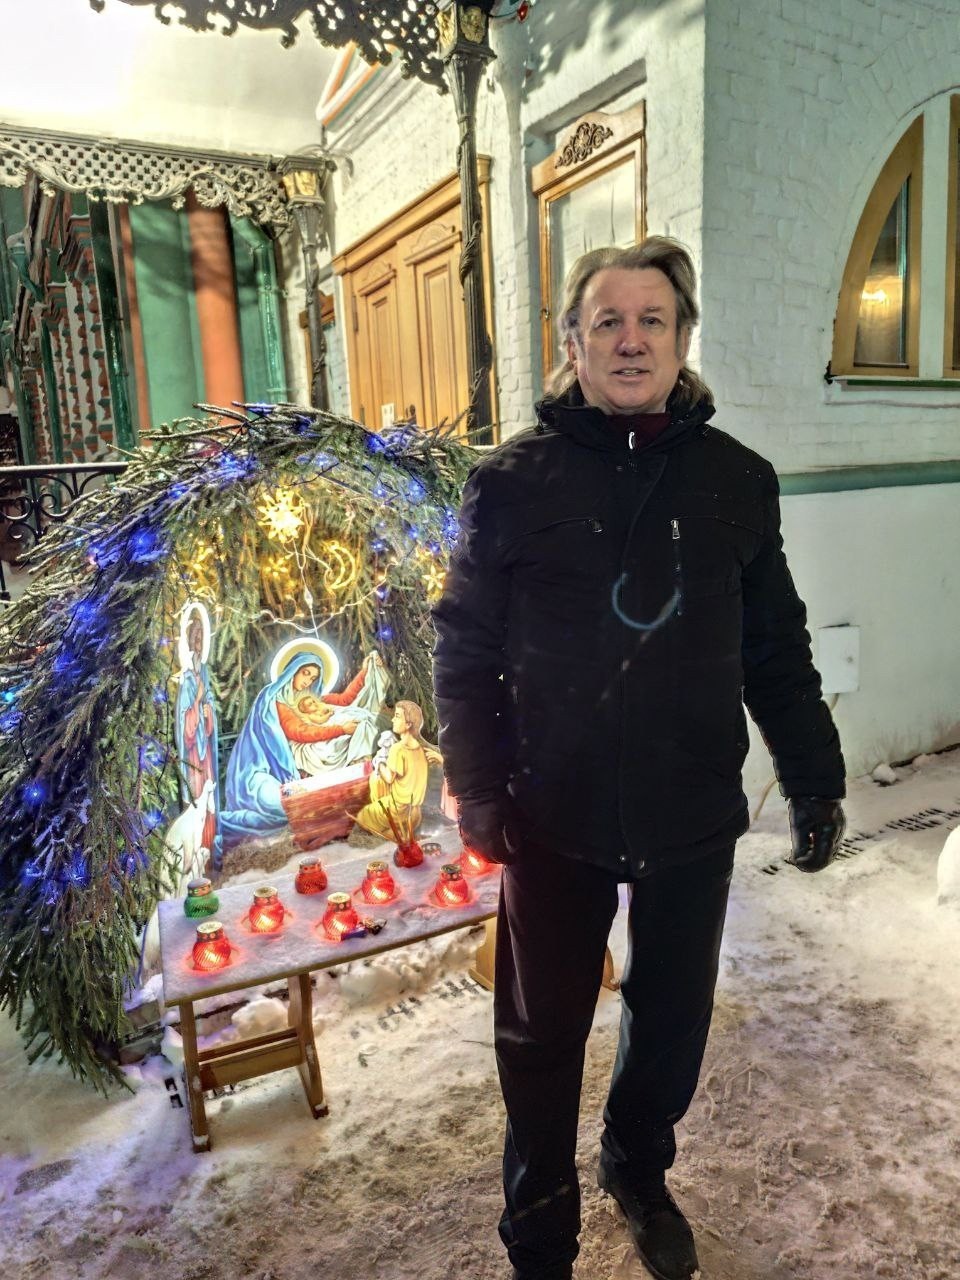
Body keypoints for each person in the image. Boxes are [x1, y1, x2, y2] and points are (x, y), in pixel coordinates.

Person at [432, 237, 845, 1280]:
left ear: (682, 339)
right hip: (551, 812)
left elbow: (775, 646)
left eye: (651, 320)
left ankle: (637, 1166)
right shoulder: (510, 484)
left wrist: (814, 774)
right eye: (606, 321)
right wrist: (478, 787)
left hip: (690, 806)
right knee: (541, 1036)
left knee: (670, 1022)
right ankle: (540, 1231)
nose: (630, 340)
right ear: (571, 343)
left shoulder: (737, 481)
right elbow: (465, 647)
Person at [220, 650, 389, 843]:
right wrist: (341, 729)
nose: (308, 681)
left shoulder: (310, 697)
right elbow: (299, 731)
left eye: (313, 677)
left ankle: (359, 782)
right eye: (305, 673)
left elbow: (344, 700)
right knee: (277, 806)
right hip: (270, 762)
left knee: (359, 723)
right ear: (293, 670)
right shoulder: (278, 700)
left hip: (311, 743)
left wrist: (365, 671)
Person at [354, 700, 441, 842]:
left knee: (362, 817)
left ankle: (400, 836)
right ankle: (404, 832)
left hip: (399, 810)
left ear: (408, 724)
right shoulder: (419, 749)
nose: (393, 720)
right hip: (415, 813)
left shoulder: (398, 749)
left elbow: (388, 778)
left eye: (397, 716)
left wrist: (379, 762)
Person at [175, 609, 221, 868]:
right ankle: (198, 850)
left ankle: (211, 847)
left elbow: (209, 703)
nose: (201, 643)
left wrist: (208, 711)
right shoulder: (186, 678)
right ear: (191, 640)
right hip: (193, 752)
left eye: (204, 638)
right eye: (197, 637)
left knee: (209, 794)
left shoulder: (203, 672)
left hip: (205, 752)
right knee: (198, 796)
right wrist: (197, 701)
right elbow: (185, 724)